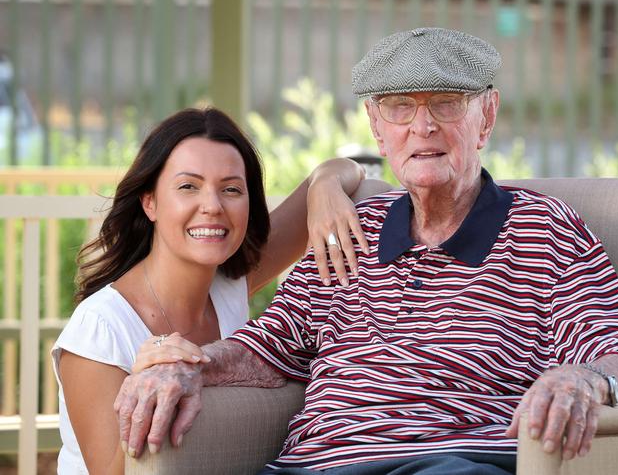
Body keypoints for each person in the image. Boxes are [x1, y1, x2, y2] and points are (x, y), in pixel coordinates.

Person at [115, 29, 618, 475]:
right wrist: (190, 365)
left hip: (453, 463)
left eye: (446, 103)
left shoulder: (544, 228)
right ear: (377, 126)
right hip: (315, 465)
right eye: (400, 107)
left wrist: (583, 378)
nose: (423, 126)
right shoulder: (355, 226)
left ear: (486, 116)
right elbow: (269, 345)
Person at [51, 107, 377, 474]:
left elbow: (344, 167)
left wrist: (326, 187)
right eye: (188, 186)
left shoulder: (228, 285)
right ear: (150, 202)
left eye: (231, 189)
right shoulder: (100, 330)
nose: (213, 206)